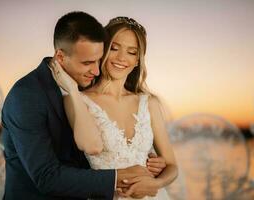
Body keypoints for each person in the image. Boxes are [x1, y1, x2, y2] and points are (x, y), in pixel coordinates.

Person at [1, 12, 166, 200]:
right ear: (61, 57)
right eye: (88, 62)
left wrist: (150, 159)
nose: (96, 70)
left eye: (98, 60)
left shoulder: (85, 83)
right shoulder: (27, 95)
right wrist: (118, 177)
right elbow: (47, 177)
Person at [51, 16, 178, 199]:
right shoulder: (77, 101)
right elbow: (89, 145)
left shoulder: (149, 103)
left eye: (132, 52)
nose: (121, 58)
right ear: (102, 50)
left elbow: (172, 167)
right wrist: (71, 88)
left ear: (137, 61)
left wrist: (155, 183)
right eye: (115, 48)